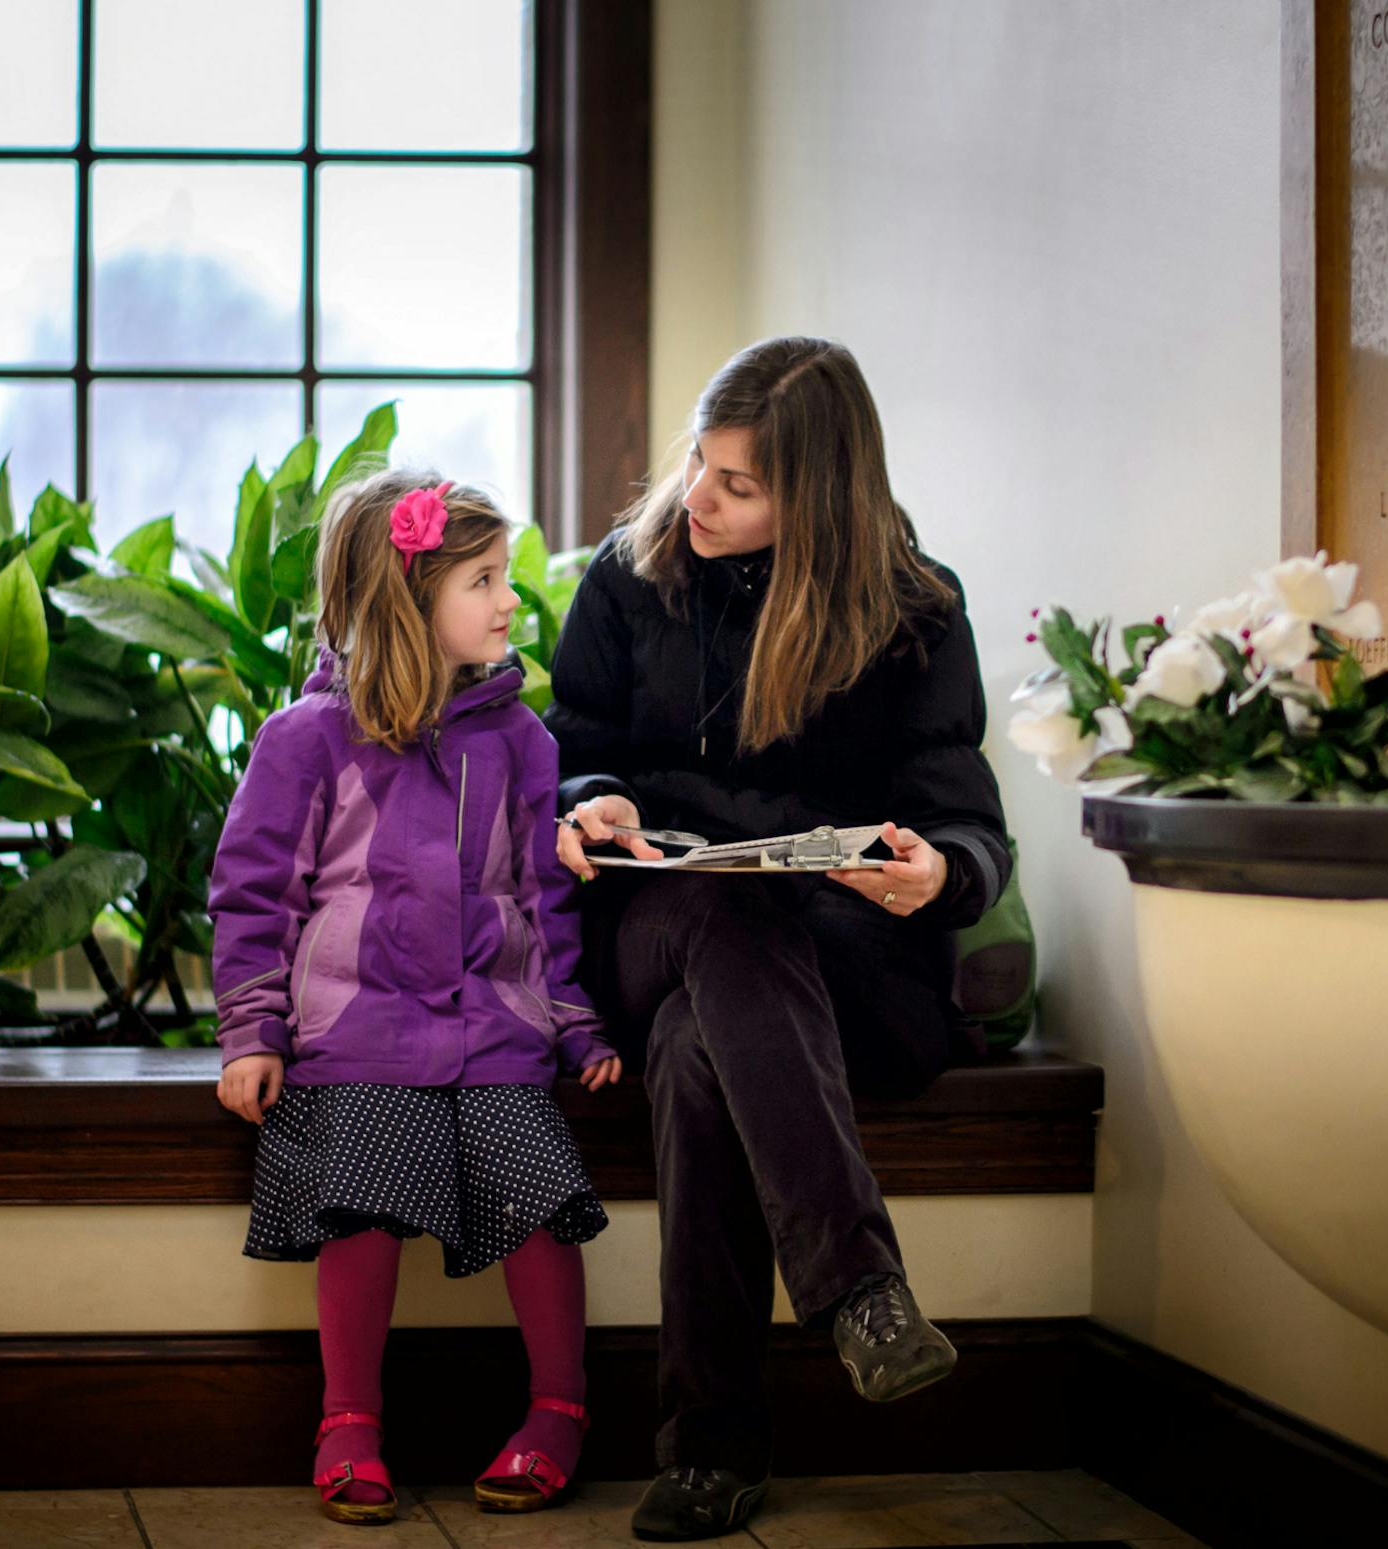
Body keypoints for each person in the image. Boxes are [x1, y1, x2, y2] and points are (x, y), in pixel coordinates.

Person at [546, 336, 1012, 1541]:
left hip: (850, 965)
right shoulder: (627, 578)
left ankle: (712, 1449)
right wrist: (585, 799)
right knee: (719, 915)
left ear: (819, 494)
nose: (697, 497)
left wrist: (939, 873)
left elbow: (966, 821)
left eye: (738, 484)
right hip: (656, 920)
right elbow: (568, 744)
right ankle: (860, 1291)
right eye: (700, 463)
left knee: (708, 1047)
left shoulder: (915, 611)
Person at [211, 469, 623, 1525]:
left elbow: (547, 902)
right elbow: (253, 893)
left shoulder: (523, 742)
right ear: (409, 598)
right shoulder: (305, 741)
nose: (509, 600)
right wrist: (252, 1033)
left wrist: (573, 1023)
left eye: (506, 578)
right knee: (364, 1190)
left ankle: (558, 1410)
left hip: (495, 1030)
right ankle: (348, 1421)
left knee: (537, 1193)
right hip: (358, 1035)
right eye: (483, 579)